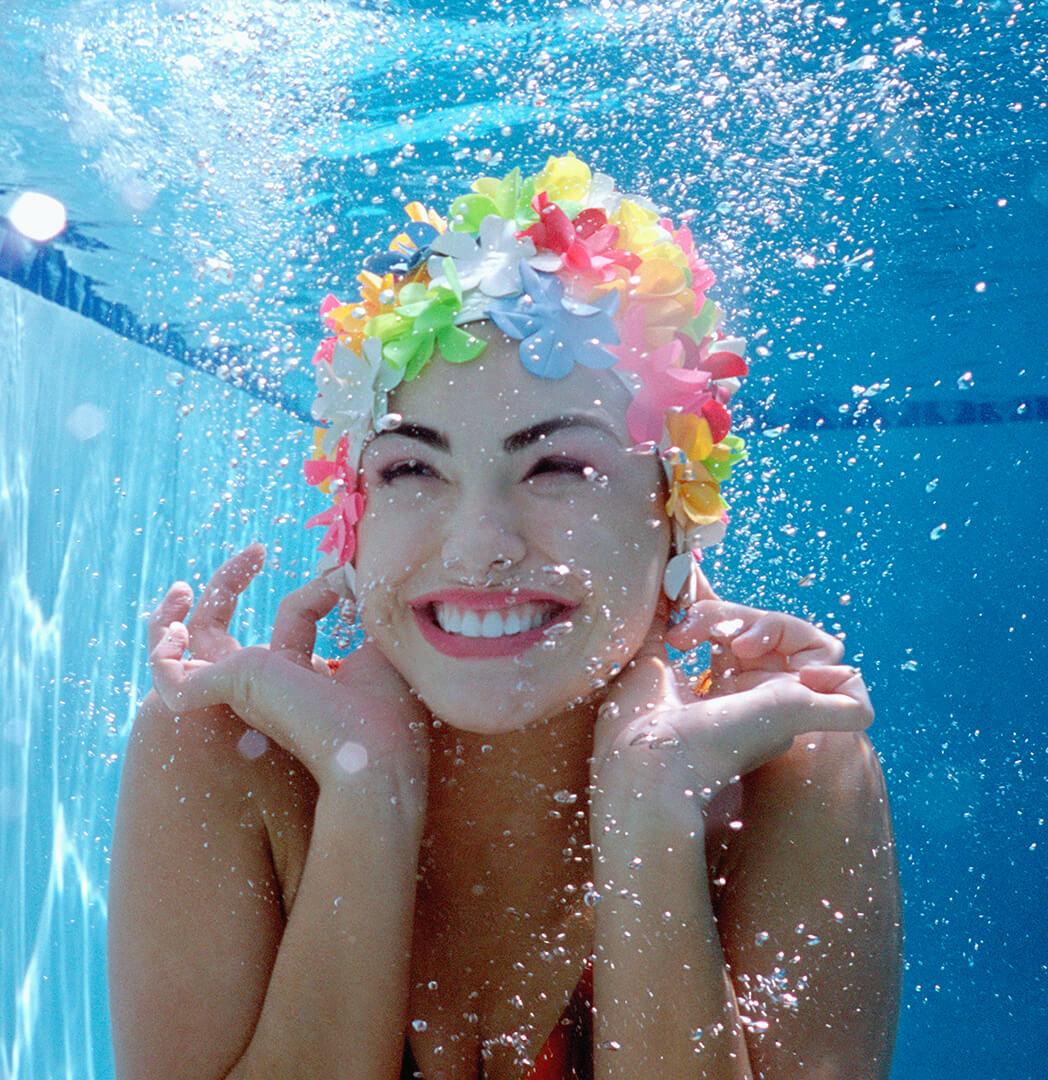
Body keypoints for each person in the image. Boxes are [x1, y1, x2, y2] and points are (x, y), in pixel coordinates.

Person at [108, 153, 903, 1080]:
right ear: (350, 516)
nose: (478, 543)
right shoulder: (220, 750)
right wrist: (370, 798)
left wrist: (650, 820)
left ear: (675, 510)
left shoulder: (788, 774)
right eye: (411, 468)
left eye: (559, 466)